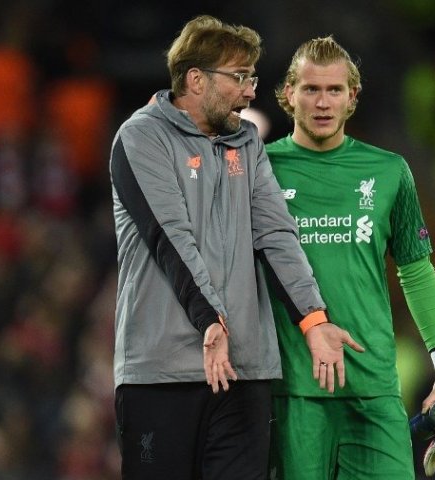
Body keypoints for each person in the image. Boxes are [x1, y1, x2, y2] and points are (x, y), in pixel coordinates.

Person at [109, 17, 362, 480]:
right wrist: (210, 320)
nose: (250, 92)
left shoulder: (246, 143)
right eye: (239, 77)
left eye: (252, 78)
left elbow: (277, 235)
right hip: (162, 374)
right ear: (196, 79)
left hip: (244, 373)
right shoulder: (140, 137)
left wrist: (314, 319)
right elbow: (169, 236)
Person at [266, 36, 435, 479]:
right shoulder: (258, 169)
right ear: (289, 93)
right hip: (290, 393)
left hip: (374, 390)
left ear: (353, 97)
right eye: (311, 89)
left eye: (334, 90)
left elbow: (417, 272)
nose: (322, 102)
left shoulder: (388, 171)